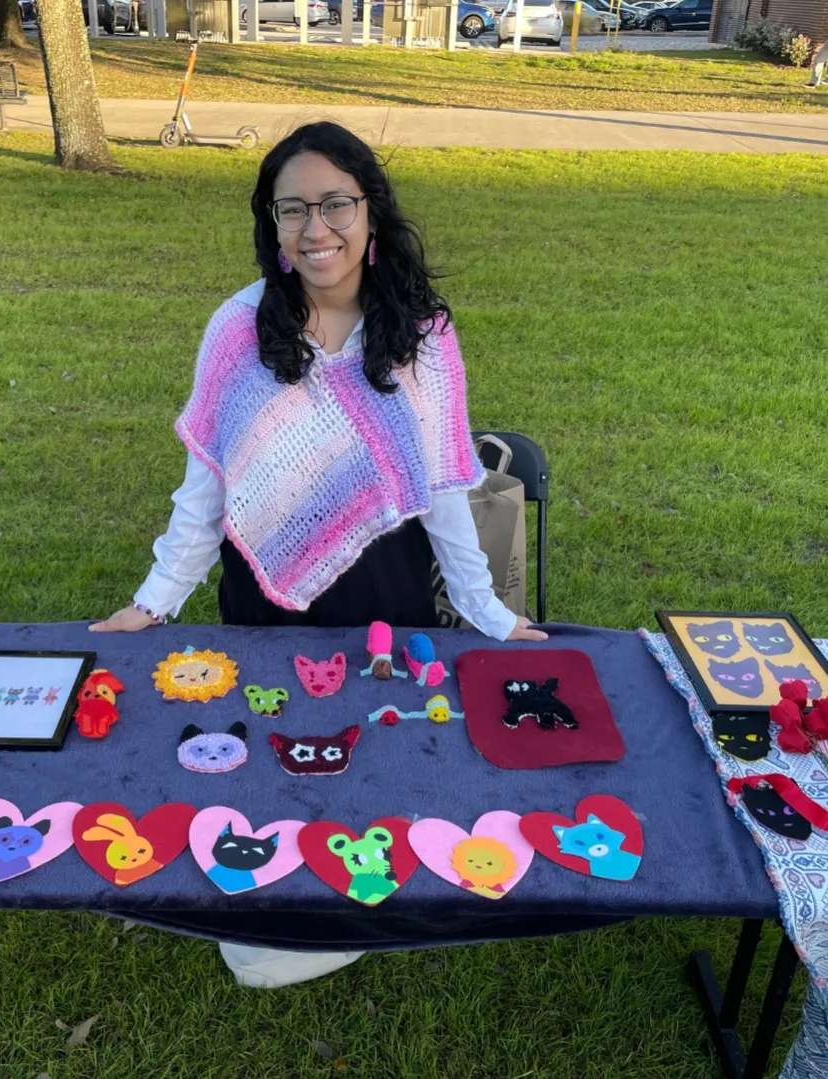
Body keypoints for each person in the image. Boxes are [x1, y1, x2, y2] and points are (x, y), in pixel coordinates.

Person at [92, 120, 547, 986]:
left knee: (371, 752)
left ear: (370, 211)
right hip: (262, 597)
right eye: (290, 209)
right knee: (268, 755)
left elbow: (446, 483)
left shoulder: (421, 330)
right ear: (269, 223)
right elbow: (207, 488)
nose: (314, 229)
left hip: (384, 592)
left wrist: (488, 612)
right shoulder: (237, 326)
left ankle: (361, 891)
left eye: (335, 203)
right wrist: (152, 603)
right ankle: (267, 892)